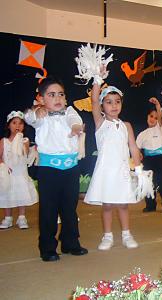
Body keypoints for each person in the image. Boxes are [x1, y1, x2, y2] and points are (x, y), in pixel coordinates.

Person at [24, 77, 87, 262]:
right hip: (49, 170)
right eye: (51, 95)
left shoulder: (69, 112)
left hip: (71, 167)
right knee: (49, 209)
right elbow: (28, 117)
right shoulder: (41, 117)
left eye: (60, 94)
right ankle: (48, 247)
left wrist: (76, 127)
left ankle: (70, 242)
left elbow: (75, 119)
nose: (57, 98)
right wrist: (36, 110)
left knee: (70, 208)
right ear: (42, 99)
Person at [84, 83, 144, 250]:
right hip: (106, 172)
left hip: (122, 171)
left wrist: (138, 170)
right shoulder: (101, 123)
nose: (114, 105)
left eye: (117, 101)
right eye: (109, 102)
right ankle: (108, 236)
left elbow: (133, 147)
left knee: (123, 204)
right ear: (103, 105)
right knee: (108, 205)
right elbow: (94, 101)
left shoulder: (127, 125)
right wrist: (97, 78)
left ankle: (126, 234)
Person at [0, 111, 38, 229]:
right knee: (7, 195)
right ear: (8, 125)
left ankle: (22, 217)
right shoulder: (3, 141)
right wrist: (3, 166)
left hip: (20, 172)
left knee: (21, 194)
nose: (17, 126)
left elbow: (24, 154)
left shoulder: (24, 140)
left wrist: (19, 139)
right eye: (14, 123)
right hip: (8, 173)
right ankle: (8, 218)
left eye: (20, 123)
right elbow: (0, 157)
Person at [136, 97, 162, 213]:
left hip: (160, 159)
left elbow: (160, 115)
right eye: (151, 116)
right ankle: (150, 205)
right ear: (147, 117)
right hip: (148, 160)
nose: (153, 119)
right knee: (148, 184)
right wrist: (139, 156)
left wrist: (157, 104)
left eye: (156, 118)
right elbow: (136, 148)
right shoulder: (142, 134)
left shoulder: (160, 128)